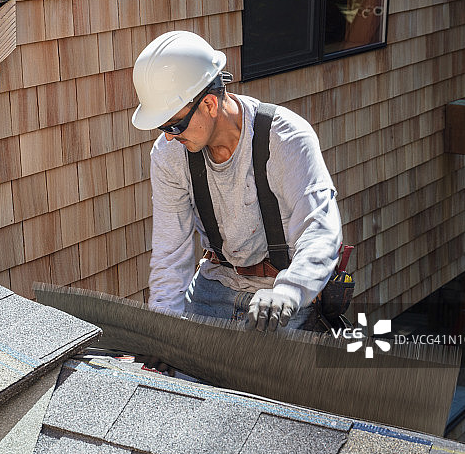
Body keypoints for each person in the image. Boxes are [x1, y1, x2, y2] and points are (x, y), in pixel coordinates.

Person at [131, 31, 343, 332]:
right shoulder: (170, 154)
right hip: (213, 289)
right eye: (161, 127)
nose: (168, 137)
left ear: (209, 105)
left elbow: (319, 230)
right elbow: (170, 253)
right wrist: (163, 327)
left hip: (279, 295)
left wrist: (289, 292)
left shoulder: (285, 138)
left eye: (174, 125)